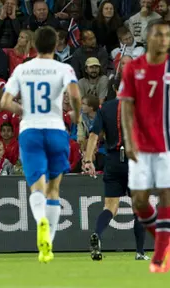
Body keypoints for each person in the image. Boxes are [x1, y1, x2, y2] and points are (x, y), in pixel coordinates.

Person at [0, 26, 81, 263]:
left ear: (34, 45)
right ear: (56, 46)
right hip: (56, 129)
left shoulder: (23, 69)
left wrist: (22, 110)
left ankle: (40, 221)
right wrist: (75, 114)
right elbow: (75, 94)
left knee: (37, 187)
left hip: (31, 130)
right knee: (54, 188)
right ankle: (50, 244)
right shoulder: (63, 67)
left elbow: (5, 101)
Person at [118, 19, 170, 273]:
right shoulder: (133, 68)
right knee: (138, 201)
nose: (164, 40)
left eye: (168, 36)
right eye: (160, 35)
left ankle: (160, 256)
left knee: (165, 195)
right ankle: (165, 243)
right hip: (140, 145)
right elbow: (125, 107)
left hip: (167, 146)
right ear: (149, 37)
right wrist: (128, 140)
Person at [83, 99, 148, 261]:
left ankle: (97, 234)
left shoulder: (105, 108)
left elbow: (93, 135)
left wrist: (88, 160)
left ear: (115, 87)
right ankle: (140, 252)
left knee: (110, 207)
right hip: (136, 160)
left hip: (113, 160)